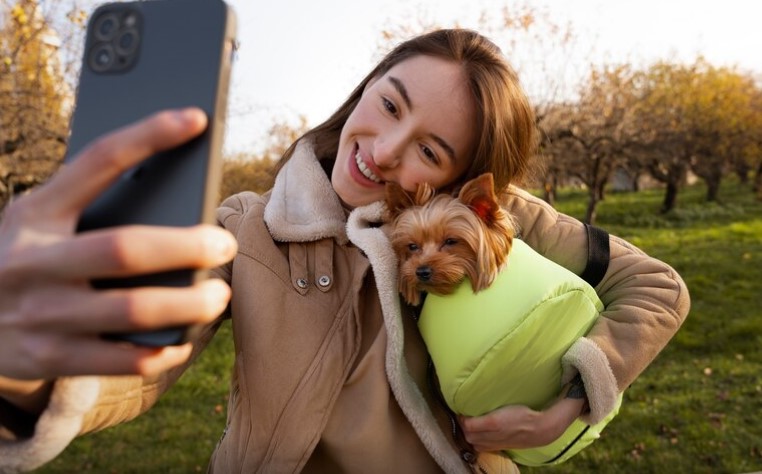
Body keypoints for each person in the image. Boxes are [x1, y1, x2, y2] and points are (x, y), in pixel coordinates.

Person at [0, 28, 689, 473]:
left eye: (429, 150)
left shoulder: (502, 221)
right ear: (364, 91)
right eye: (389, 105)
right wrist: (22, 370)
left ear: (464, 179)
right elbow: (137, 369)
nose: (383, 151)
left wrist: (576, 397)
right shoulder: (247, 226)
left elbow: (658, 286)